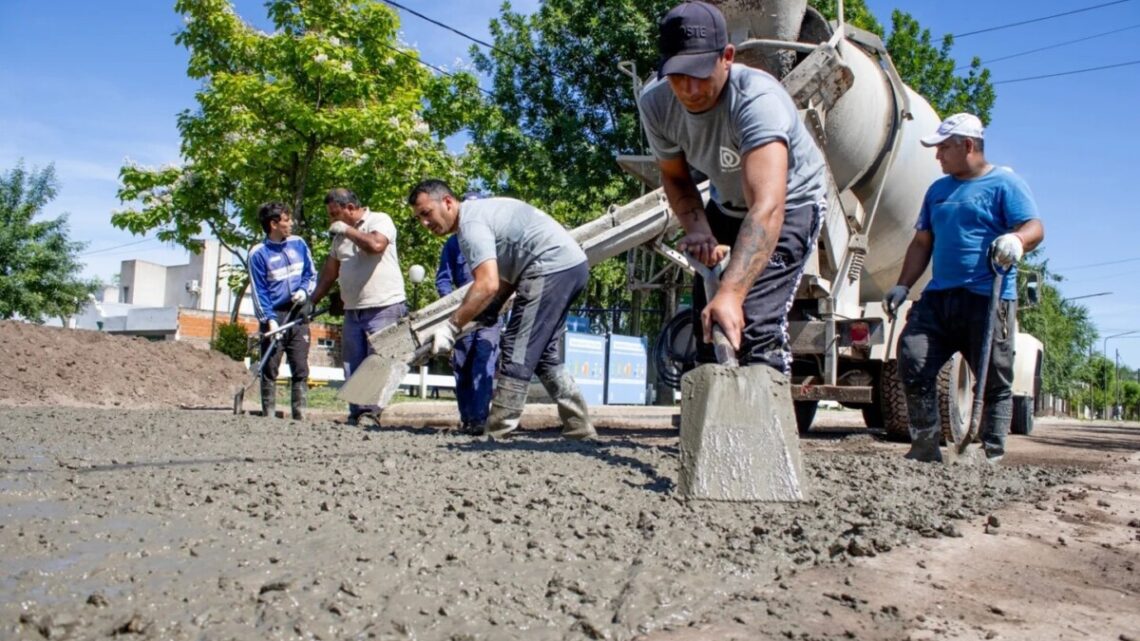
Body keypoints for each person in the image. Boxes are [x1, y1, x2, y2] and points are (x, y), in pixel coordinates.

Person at [638, 0, 828, 374]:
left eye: (700, 73)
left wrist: (732, 292)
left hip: (790, 204)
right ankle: (712, 430)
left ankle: (765, 427)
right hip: (726, 204)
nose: (689, 89)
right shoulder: (656, 102)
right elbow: (676, 177)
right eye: (678, 75)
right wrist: (698, 230)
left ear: (726, 57)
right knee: (708, 326)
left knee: (751, 319)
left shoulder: (757, 99)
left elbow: (767, 206)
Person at [883, 113, 1045, 464]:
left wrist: (1017, 240)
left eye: (943, 147)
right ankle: (925, 445)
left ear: (968, 146)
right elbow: (922, 242)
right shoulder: (937, 191)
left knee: (994, 378)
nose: (937, 155)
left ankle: (991, 453)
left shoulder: (1005, 184)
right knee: (912, 356)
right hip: (940, 297)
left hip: (988, 299)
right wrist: (902, 286)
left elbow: (1034, 227)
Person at [407, 179, 595, 441]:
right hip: (571, 266)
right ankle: (580, 428)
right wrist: (493, 307)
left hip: (550, 267)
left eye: (427, 213)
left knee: (517, 347)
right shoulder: (484, 214)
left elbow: (486, 283)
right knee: (543, 356)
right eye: (419, 219)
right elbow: (506, 275)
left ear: (448, 202)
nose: (425, 224)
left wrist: (451, 327)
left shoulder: (470, 226)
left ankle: (497, 432)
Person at [312, 188, 408, 426]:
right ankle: (357, 413)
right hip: (353, 309)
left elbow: (376, 245)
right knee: (353, 363)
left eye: (335, 214)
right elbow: (329, 274)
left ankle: (371, 414)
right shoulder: (338, 239)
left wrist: (347, 229)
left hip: (385, 306)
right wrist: (310, 301)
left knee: (379, 361)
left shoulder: (380, 220)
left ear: (351, 209)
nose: (332, 220)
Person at [247, 201, 316, 420]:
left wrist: (305, 291)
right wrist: (269, 320)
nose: (291, 223)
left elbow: (310, 273)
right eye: (286, 220)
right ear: (273, 224)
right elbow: (259, 291)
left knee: (300, 366)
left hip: (297, 313)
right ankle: (268, 414)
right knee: (270, 367)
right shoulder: (258, 254)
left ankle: (300, 414)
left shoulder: (298, 244)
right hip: (274, 315)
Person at [436, 229, 502, 435]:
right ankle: (467, 418)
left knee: (483, 361)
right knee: (463, 364)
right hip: (462, 314)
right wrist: (452, 304)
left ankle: (480, 419)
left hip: (491, 312)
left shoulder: (495, 241)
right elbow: (443, 278)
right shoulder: (453, 244)